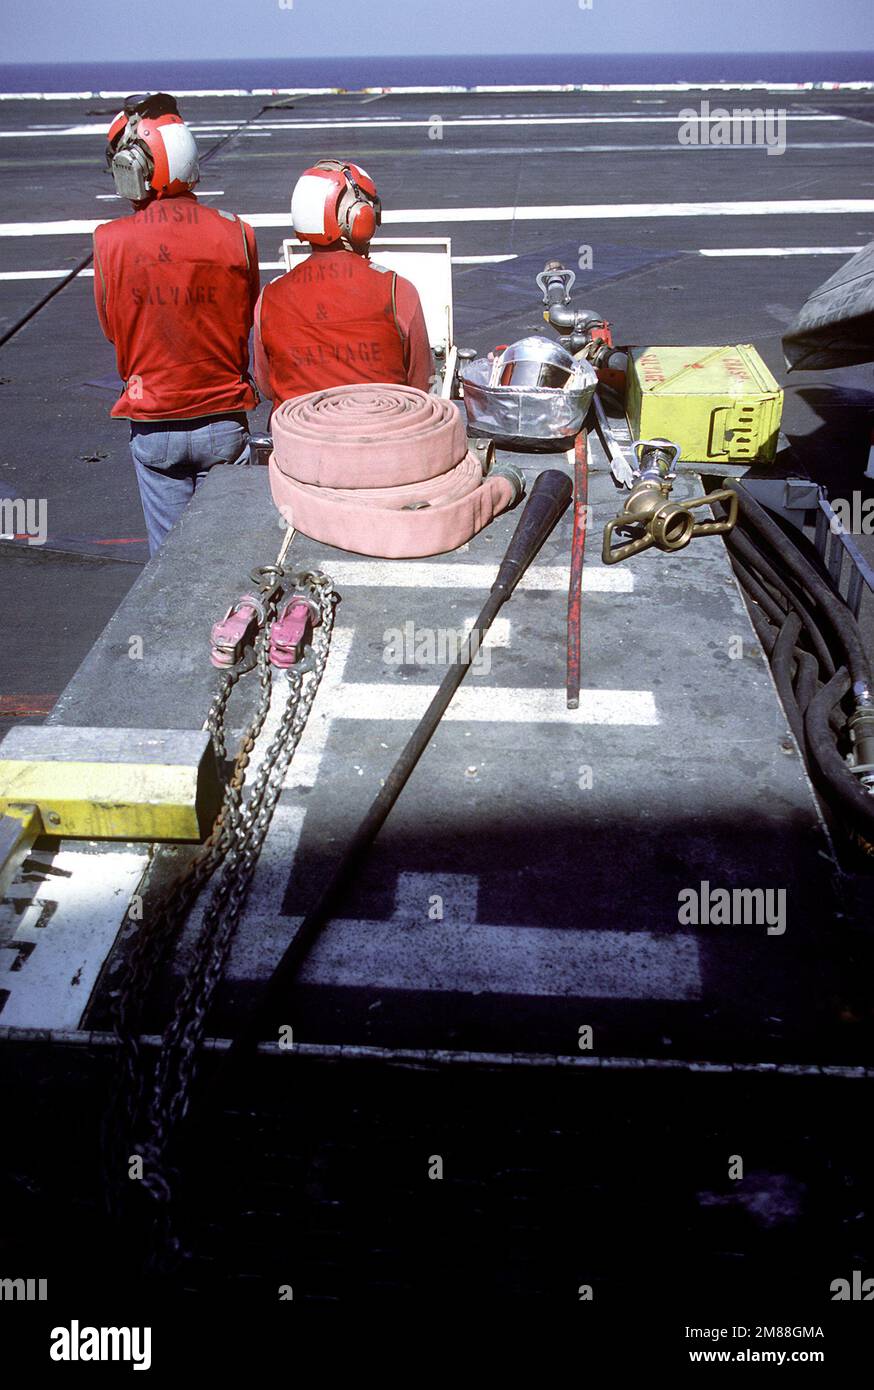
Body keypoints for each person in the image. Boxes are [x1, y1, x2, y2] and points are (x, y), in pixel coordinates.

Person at [93, 93, 261, 554]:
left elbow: (113, 327)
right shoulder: (237, 231)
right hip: (225, 420)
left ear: (135, 167)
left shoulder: (110, 241)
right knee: (231, 560)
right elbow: (245, 316)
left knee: (170, 568)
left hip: (155, 423)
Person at [253, 159, 433, 410]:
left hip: (299, 444)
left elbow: (266, 385)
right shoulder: (397, 290)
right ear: (359, 216)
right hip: (384, 440)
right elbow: (420, 386)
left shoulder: (269, 296)